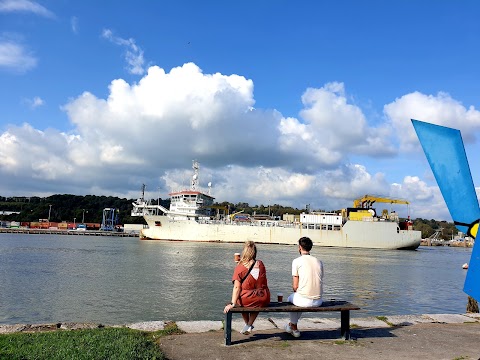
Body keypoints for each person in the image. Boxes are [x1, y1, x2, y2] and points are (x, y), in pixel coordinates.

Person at [223, 241, 270, 335]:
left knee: (239, 299)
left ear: (244, 252)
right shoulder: (261, 264)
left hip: (247, 299)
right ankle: (249, 325)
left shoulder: (240, 267)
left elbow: (237, 287)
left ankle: (248, 324)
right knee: (257, 303)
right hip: (263, 297)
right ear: (255, 252)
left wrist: (232, 303)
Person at [285, 236, 324, 338]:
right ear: (310, 248)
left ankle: (294, 326)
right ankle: (292, 326)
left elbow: (295, 286)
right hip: (318, 301)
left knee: (291, 299)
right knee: (300, 297)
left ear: (300, 247)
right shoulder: (319, 261)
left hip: (304, 300)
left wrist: (297, 290)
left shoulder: (296, 261)